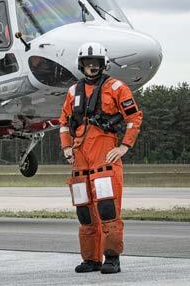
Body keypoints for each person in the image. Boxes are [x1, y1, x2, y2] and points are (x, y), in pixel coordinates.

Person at [58, 42, 143, 274]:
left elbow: (134, 118)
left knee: (107, 211)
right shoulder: (72, 92)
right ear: (81, 64)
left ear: (103, 64)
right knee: (84, 213)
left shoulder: (116, 87)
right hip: (79, 162)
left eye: (96, 63)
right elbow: (64, 123)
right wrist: (66, 148)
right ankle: (91, 260)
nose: (92, 67)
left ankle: (112, 258)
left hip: (104, 160)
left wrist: (125, 146)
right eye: (87, 63)